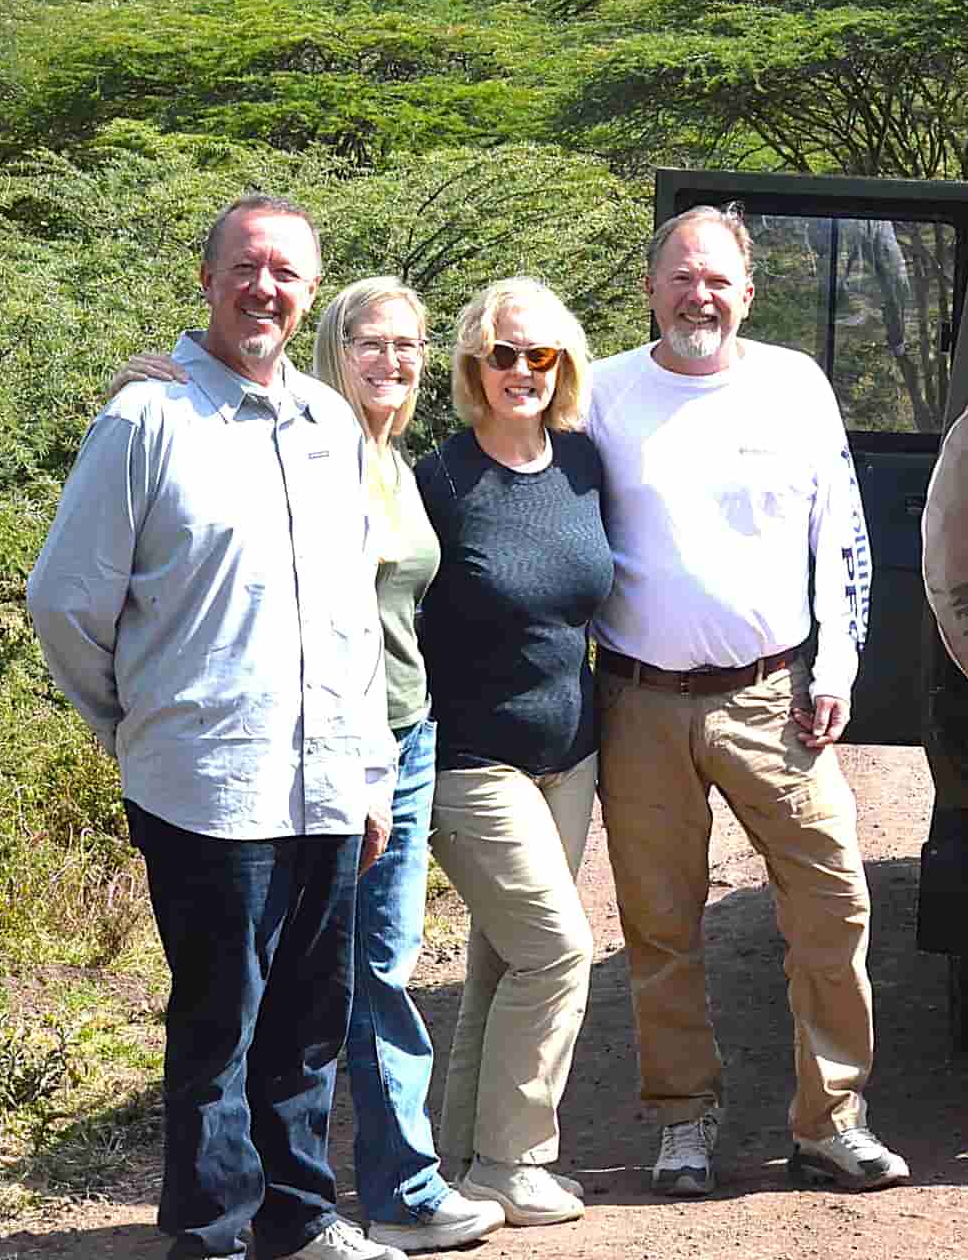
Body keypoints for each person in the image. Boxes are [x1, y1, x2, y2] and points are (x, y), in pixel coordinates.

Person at [27, 194, 406, 1260]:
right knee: (218, 1031)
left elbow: (352, 618)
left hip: (328, 783)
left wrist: (371, 772)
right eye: (246, 267)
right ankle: (215, 1235)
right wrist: (137, 727)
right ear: (207, 279)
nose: (265, 288)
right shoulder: (146, 420)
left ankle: (301, 1222)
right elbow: (65, 600)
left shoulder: (331, 425)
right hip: (203, 782)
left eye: (287, 272)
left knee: (308, 1024)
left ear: (311, 294)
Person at [103, 278, 510, 1255]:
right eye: (371, 341)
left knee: (345, 981)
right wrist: (134, 724)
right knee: (276, 992)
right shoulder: (290, 435)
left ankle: (337, 1201)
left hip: (390, 748)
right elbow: (82, 597)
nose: (392, 361)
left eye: (410, 344)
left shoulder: (394, 459)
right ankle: (312, 1205)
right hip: (279, 756)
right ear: (329, 342)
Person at [587, 204, 906, 1196]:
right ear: (650, 288)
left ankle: (831, 1121)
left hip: (775, 697)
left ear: (748, 293)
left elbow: (840, 536)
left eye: (718, 278)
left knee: (832, 903)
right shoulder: (599, 395)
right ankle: (683, 1122)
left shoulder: (792, 386)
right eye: (682, 276)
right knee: (658, 921)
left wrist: (838, 670)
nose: (700, 294)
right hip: (638, 699)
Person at [416, 277, 612, 1228]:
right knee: (559, 953)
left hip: (568, 759)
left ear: (564, 365)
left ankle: (453, 1165)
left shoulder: (582, 466)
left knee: (500, 966)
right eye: (505, 354)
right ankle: (514, 1159)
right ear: (474, 365)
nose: (523, 371)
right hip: (471, 761)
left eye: (542, 356)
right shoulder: (441, 479)